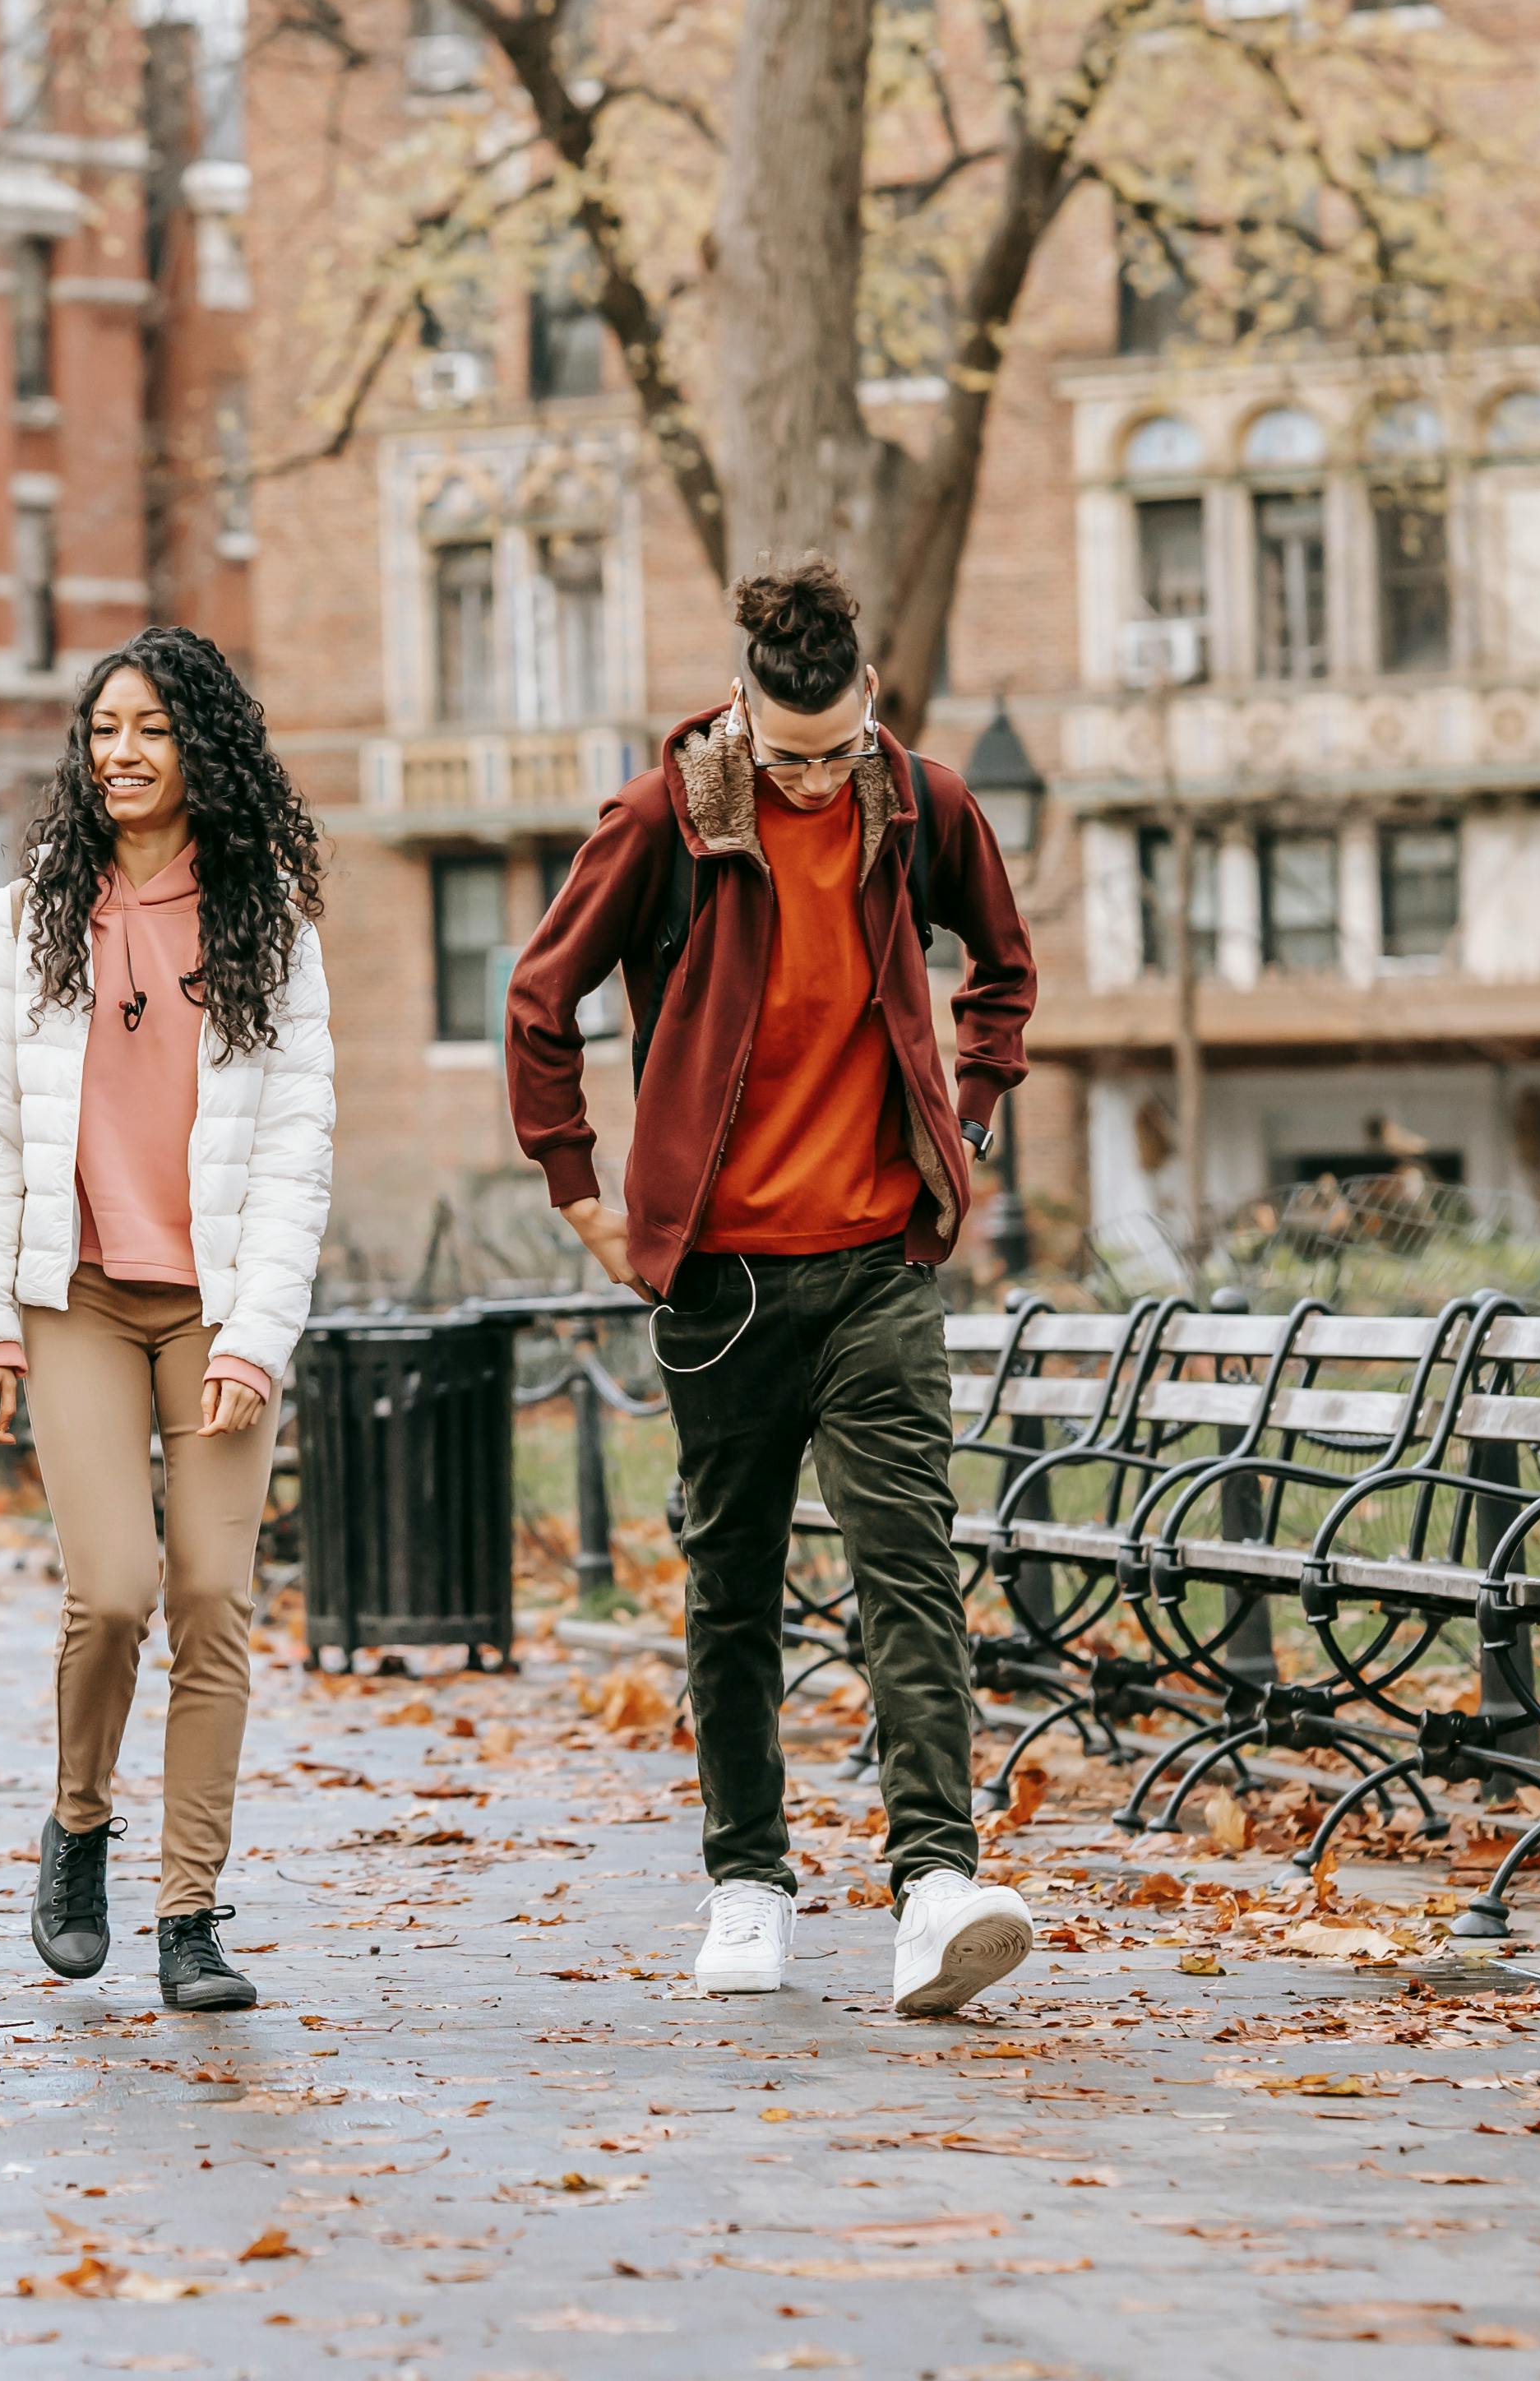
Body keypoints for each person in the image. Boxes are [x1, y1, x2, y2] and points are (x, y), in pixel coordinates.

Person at [498, 554, 1040, 2017]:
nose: (813, 784)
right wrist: (580, 1195)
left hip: (876, 1268)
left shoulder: (919, 801)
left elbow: (1003, 969)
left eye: (838, 751)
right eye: (788, 759)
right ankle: (747, 1883)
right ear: (742, 712)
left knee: (907, 1567)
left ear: (871, 706)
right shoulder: (663, 815)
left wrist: (968, 1113)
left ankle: (936, 1883)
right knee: (732, 1589)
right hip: (723, 1283)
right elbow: (540, 1001)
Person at [0, 628, 335, 2016]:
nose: (121, 752)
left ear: (202, 748)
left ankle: (188, 1912)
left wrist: (256, 1339)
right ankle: (79, 1826)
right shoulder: (25, 918)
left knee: (214, 1597)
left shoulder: (267, 922)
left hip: (215, 1308)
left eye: (152, 728)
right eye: (104, 728)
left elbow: (297, 1148)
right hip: (81, 1301)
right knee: (112, 1591)